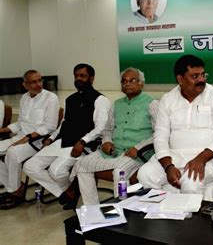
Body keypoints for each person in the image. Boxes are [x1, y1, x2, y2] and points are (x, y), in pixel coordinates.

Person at [137, 55, 213, 201]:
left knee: (191, 182)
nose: (201, 80)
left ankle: (191, 222)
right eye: (195, 76)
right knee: (145, 174)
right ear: (180, 79)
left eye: (203, 75)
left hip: (210, 158)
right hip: (175, 156)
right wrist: (168, 167)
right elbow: (160, 136)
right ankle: (163, 216)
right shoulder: (167, 99)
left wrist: (200, 159)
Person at [23, 63, 110, 209]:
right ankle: (67, 192)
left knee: (56, 171)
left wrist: (83, 141)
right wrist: (51, 138)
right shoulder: (70, 99)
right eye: (76, 76)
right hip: (63, 141)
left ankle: (70, 190)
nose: (78, 79)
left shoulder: (100, 100)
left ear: (92, 78)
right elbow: (64, 123)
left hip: (83, 145)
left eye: (83, 76)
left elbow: (101, 128)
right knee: (30, 166)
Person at [70, 68, 159, 205]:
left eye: (132, 80)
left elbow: (159, 133)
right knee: (81, 164)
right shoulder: (116, 104)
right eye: (124, 81)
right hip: (114, 150)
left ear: (141, 83)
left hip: (136, 153)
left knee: (119, 172)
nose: (127, 84)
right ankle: (93, 209)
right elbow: (108, 129)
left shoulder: (152, 103)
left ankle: (123, 210)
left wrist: (138, 147)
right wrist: (106, 141)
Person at [0, 70, 59, 209]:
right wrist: (4, 130)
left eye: (40, 80)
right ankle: (14, 187)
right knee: (10, 150)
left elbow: (50, 127)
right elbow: (20, 123)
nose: (38, 84)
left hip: (38, 141)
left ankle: (13, 193)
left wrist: (27, 138)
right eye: (33, 82)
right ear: (25, 85)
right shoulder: (24, 98)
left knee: (12, 153)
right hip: (20, 136)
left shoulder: (51, 98)